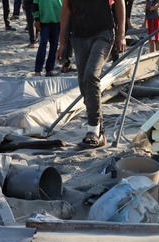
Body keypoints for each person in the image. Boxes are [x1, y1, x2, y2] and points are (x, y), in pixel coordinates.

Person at [56, 0, 126, 150]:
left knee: (90, 75)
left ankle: (92, 130)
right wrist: (62, 43)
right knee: (84, 86)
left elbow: (120, 2)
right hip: (79, 36)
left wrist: (121, 34)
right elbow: (66, 9)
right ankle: (99, 134)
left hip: (103, 32)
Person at [32, 0, 61, 76]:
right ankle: (38, 70)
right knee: (43, 43)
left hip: (57, 21)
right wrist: (36, 18)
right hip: (44, 21)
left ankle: (49, 69)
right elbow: (35, 6)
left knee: (54, 46)